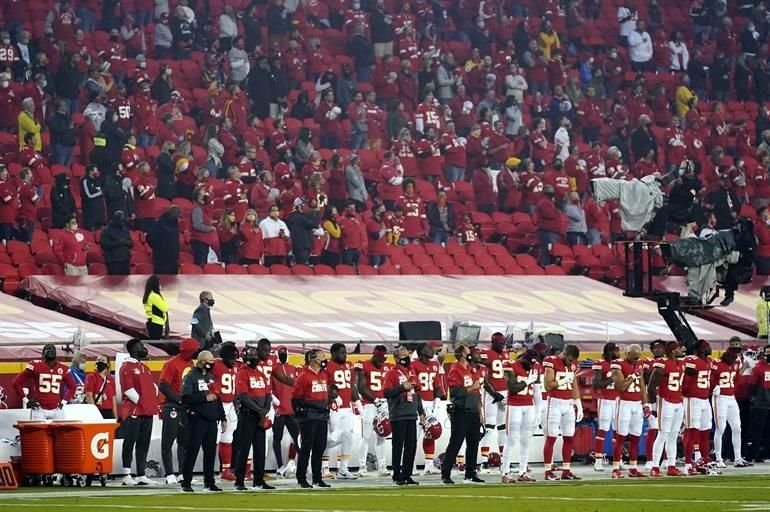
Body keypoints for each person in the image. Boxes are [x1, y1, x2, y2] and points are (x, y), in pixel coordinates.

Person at [180, 350, 226, 493]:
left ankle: (209, 482)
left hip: (212, 420)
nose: (211, 364)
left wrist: (222, 417)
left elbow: (217, 399)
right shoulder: (191, 377)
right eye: (209, 362)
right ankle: (186, 482)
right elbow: (185, 398)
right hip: (197, 419)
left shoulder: (211, 377)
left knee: (210, 453)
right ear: (200, 362)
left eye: (213, 362)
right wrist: (204, 398)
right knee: (192, 451)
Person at [232, 345, 275, 491]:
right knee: (244, 449)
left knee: (259, 449)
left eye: (255, 356)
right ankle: (239, 480)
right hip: (248, 415)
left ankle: (258, 480)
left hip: (260, 415)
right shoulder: (242, 373)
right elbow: (243, 396)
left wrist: (265, 410)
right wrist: (259, 410)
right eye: (251, 356)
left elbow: (268, 394)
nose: (254, 358)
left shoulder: (261, 374)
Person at [441, 343, 484, 485]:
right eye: (468, 351)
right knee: (456, 442)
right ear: (463, 355)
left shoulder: (471, 369)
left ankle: (470, 474)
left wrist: (480, 411)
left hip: (473, 410)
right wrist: (472, 387)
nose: (471, 353)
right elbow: (455, 392)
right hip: (461, 411)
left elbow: (477, 393)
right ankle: (445, 474)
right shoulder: (455, 370)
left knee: (473, 443)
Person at [119, 338, 160, 486]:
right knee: (129, 443)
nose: (144, 348)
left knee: (143, 444)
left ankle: (141, 474)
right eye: (141, 346)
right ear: (134, 349)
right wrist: (142, 403)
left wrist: (150, 402)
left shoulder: (144, 367)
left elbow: (153, 387)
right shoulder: (126, 367)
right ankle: (126, 474)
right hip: (134, 410)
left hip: (147, 411)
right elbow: (128, 389)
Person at [159, 337, 198, 485]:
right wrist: (178, 399)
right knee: (168, 441)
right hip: (172, 406)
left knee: (184, 442)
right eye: (195, 349)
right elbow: (163, 385)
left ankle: (182, 472)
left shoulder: (190, 363)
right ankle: (169, 473)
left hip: (184, 408)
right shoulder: (171, 364)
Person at [384, 345, 424, 485]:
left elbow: (417, 393)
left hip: (411, 413)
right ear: (396, 358)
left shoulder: (412, 372)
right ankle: (396, 474)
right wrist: (402, 388)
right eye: (403, 356)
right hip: (398, 413)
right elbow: (386, 393)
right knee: (398, 445)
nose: (406, 359)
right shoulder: (392, 373)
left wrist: (421, 412)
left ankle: (407, 473)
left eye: (407, 355)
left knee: (411, 446)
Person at [542, 344, 583, 481]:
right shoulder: (551, 361)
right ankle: (548, 471)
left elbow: (574, 383)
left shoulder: (572, 364)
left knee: (569, 437)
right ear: (564, 354)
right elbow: (548, 385)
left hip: (568, 403)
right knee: (551, 437)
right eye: (570, 360)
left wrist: (578, 403)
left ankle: (566, 470)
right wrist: (564, 380)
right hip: (554, 403)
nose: (571, 363)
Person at [607, 344, 649, 478]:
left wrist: (645, 404)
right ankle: (615, 468)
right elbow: (621, 387)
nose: (636, 360)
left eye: (638, 358)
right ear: (627, 354)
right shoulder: (617, 365)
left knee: (636, 437)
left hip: (637, 404)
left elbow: (642, 386)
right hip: (624, 403)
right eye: (634, 358)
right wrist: (632, 376)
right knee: (620, 437)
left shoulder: (639, 365)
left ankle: (633, 467)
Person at [292, 349, 332, 488]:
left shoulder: (324, 375)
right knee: (306, 448)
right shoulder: (304, 376)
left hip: (322, 416)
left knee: (319, 448)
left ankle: (317, 478)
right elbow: (296, 398)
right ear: (314, 359)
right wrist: (301, 414)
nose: (324, 359)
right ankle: (301, 478)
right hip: (309, 416)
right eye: (322, 357)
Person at [501, 349, 540, 483]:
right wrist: (527, 381)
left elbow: (537, 390)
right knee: (511, 439)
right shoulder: (511, 365)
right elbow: (512, 387)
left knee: (526, 440)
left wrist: (538, 410)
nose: (530, 366)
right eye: (528, 363)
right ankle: (505, 472)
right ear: (523, 358)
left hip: (529, 405)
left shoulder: (534, 367)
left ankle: (522, 471)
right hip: (515, 406)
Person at [647, 340, 686, 477]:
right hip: (666, 401)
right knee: (662, 434)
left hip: (678, 403)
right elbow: (651, 386)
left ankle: (671, 465)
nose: (682, 350)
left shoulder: (681, 363)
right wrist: (653, 406)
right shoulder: (662, 363)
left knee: (673, 436)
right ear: (673, 350)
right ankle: (655, 466)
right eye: (679, 348)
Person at [324, 343, 360, 479]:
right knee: (330, 437)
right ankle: (324, 468)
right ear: (333, 353)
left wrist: (357, 402)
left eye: (345, 352)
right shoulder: (327, 366)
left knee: (348, 437)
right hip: (333, 408)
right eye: (341, 353)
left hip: (347, 407)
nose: (344, 355)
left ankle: (343, 469)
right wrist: (334, 396)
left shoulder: (349, 365)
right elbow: (326, 386)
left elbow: (351, 386)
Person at [12, 344, 76, 420]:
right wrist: (26, 401)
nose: (51, 350)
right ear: (43, 354)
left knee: (62, 432)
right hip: (39, 409)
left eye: (52, 349)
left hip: (57, 408)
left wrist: (64, 402)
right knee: (39, 432)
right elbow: (16, 382)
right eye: (48, 349)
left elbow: (72, 387)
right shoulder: (36, 365)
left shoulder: (62, 368)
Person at [712, 347, 751, 468]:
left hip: (731, 398)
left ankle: (738, 458)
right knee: (720, 429)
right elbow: (709, 378)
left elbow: (736, 378)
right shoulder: (716, 364)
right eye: (732, 355)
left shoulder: (736, 362)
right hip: (720, 398)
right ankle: (718, 458)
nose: (734, 358)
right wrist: (713, 387)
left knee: (737, 428)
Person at [355, 345, 391, 476]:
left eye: (383, 360)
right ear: (374, 356)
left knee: (382, 435)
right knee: (365, 436)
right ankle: (362, 466)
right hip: (369, 405)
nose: (381, 363)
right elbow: (361, 387)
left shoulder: (387, 367)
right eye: (380, 360)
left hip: (384, 404)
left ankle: (382, 466)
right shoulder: (363, 365)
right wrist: (376, 400)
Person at [682, 340, 715, 475]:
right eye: (706, 347)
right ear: (700, 349)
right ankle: (688, 464)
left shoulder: (708, 361)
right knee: (692, 431)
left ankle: (704, 461)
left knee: (705, 432)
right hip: (692, 399)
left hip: (704, 399)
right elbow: (686, 376)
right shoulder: (691, 359)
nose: (709, 349)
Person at [210, 342, 240, 481]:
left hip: (230, 406)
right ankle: (209, 469)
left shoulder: (236, 367)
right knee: (213, 439)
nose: (233, 361)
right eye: (231, 358)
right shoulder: (215, 365)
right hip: (217, 405)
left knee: (228, 438)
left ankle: (225, 470)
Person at [479, 333, 509, 470]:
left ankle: (503, 460)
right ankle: (484, 461)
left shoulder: (505, 354)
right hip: (491, 394)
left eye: (503, 343)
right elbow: (483, 377)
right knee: (489, 428)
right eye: (500, 343)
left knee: (502, 428)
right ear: (493, 342)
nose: (502, 345)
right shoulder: (485, 354)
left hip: (503, 392)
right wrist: (494, 393)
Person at [272, 345, 301, 478]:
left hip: (290, 409)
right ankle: (280, 466)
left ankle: (301, 464)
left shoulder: (293, 368)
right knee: (277, 438)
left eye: (284, 352)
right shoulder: (274, 369)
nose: (283, 354)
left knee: (298, 438)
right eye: (280, 352)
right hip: (279, 409)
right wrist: (274, 401)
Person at [592, 342, 620, 471]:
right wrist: (612, 379)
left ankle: (617, 460)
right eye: (616, 351)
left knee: (618, 431)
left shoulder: (619, 363)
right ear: (609, 352)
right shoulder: (600, 364)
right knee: (603, 429)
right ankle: (598, 461)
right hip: (605, 400)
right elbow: (596, 384)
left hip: (618, 400)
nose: (618, 354)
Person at [749, 345, 770, 462]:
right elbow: (752, 385)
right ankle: (755, 454)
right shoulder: (758, 368)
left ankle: (767, 454)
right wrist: (757, 398)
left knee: (768, 431)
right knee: (758, 431)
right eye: (767, 352)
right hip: (761, 404)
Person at [147, 205, 181, 275]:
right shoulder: (159, 223)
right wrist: (159, 247)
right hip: (161, 259)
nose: (179, 218)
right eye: (177, 215)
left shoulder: (174, 224)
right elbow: (149, 237)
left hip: (173, 260)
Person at [99, 210, 133, 275]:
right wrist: (119, 242)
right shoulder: (106, 230)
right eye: (120, 221)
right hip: (113, 261)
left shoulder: (125, 229)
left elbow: (131, 243)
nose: (122, 223)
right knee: (114, 282)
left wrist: (125, 242)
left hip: (125, 260)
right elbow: (105, 245)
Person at [85, 354, 118, 419]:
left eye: (103, 360)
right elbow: (89, 396)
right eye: (98, 360)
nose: (100, 362)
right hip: (97, 411)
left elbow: (113, 398)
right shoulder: (91, 377)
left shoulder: (111, 379)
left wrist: (115, 415)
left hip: (109, 411)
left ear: (107, 364)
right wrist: (95, 413)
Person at [81, 164, 106, 231]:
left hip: (99, 210)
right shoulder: (85, 181)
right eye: (96, 170)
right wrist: (101, 193)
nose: (97, 171)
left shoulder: (97, 180)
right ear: (90, 172)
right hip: (90, 210)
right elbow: (88, 195)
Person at [143, 275, 169, 340]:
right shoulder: (154, 296)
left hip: (153, 322)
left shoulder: (150, 294)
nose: (160, 285)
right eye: (159, 283)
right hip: (156, 323)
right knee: (155, 342)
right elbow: (165, 308)